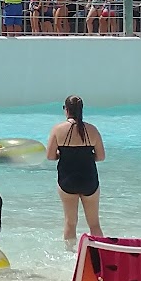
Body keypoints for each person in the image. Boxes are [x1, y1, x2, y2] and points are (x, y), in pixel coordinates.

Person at [45, 95, 104, 243]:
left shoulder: (58, 129)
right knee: (94, 224)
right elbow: (101, 156)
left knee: (70, 223)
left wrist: (63, 154)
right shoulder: (92, 130)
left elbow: (50, 156)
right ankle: (100, 253)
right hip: (89, 179)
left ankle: (70, 254)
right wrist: (87, 156)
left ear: (66, 109)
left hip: (67, 180)